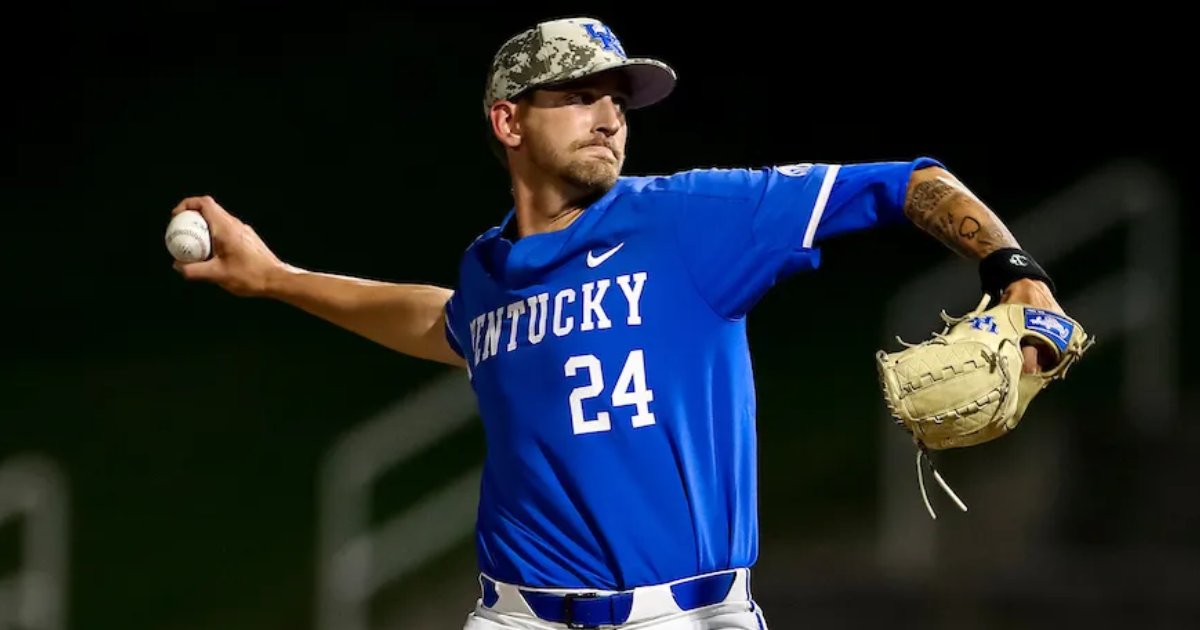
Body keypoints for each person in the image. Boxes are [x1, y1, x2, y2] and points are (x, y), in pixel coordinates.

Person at [170, 16, 1069, 630]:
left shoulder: (690, 222)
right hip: (513, 611)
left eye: (621, 99)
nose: (611, 117)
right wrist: (279, 278)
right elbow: (447, 324)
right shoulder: (490, 273)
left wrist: (1015, 273)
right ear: (507, 120)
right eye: (581, 95)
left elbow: (909, 180)